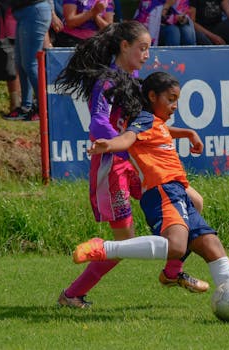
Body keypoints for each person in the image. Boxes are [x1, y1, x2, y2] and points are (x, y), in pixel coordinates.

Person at [79, 71, 229, 322]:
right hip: (162, 192)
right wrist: (108, 145)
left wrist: (187, 133)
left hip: (177, 192)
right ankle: (104, 248)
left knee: (212, 246)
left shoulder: (153, 122)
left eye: (177, 99)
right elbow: (129, 137)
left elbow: (160, 130)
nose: (175, 105)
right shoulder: (142, 119)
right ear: (152, 96)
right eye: (171, 99)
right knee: (175, 246)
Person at [54, 21, 209, 308]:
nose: (147, 54)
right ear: (124, 46)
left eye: (149, 48)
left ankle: (172, 272)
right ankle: (72, 295)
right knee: (124, 242)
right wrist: (116, 144)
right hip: (113, 167)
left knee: (193, 201)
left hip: (138, 164)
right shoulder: (107, 81)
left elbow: (146, 128)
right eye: (143, 47)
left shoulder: (135, 81)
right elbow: (99, 122)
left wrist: (186, 132)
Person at [3, 0, 53, 121]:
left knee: (30, 65)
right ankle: (26, 107)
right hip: (25, 13)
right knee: (20, 64)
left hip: (34, 11)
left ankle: (45, 108)